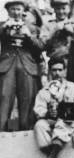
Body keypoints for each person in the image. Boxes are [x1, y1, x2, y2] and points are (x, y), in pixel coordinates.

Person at [34, 54, 74, 158]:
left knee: (65, 120)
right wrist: (48, 113)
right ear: (49, 71)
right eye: (54, 70)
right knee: (39, 125)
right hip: (52, 121)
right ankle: (55, 157)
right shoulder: (44, 91)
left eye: (60, 70)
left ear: (64, 71)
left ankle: (51, 157)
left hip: (69, 121)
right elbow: (38, 110)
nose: (57, 73)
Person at [0, 0, 44, 131]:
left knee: (27, 101)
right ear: (7, 11)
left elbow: (40, 47)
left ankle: (26, 132)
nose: (15, 12)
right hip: (7, 66)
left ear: (23, 11)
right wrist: (4, 28)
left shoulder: (32, 28)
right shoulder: (2, 25)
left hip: (27, 67)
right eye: (12, 9)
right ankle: (1, 133)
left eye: (18, 9)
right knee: (3, 98)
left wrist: (29, 36)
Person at [40, 0, 74, 83]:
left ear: (69, 8)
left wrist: (72, 32)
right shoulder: (48, 25)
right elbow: (42, 45)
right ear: (54, 9)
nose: (61, 11)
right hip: (56, 61)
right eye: (58, 9)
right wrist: (55, 31)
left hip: (73, 62)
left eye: (64, 8)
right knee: (55, 87)